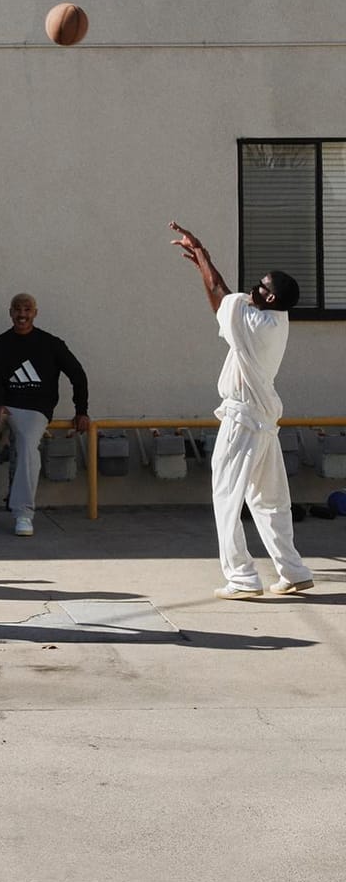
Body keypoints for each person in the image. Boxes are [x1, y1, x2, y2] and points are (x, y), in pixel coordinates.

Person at [170, 221, 313, 599]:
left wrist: (202, 255)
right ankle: (293, 570)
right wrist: (203, 260)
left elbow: (220, 296)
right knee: (269, 500)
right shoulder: (276, 319)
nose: (254, 288)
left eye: (262, 287)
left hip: (243, 421)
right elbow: (228, 299)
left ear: (270, 299)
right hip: (262, 423)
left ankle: (242, 578)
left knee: (226, 495)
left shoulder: (257, 322)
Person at [0, 292, 89, 536]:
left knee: (27, 445)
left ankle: (23, 513)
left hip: (34, 408)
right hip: (2, 405)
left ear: (35, 313)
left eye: (27, 310)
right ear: (11, 313)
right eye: (17, 309)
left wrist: (82, 411)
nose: (22, 315)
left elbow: (77, 374)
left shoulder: (51, 343)